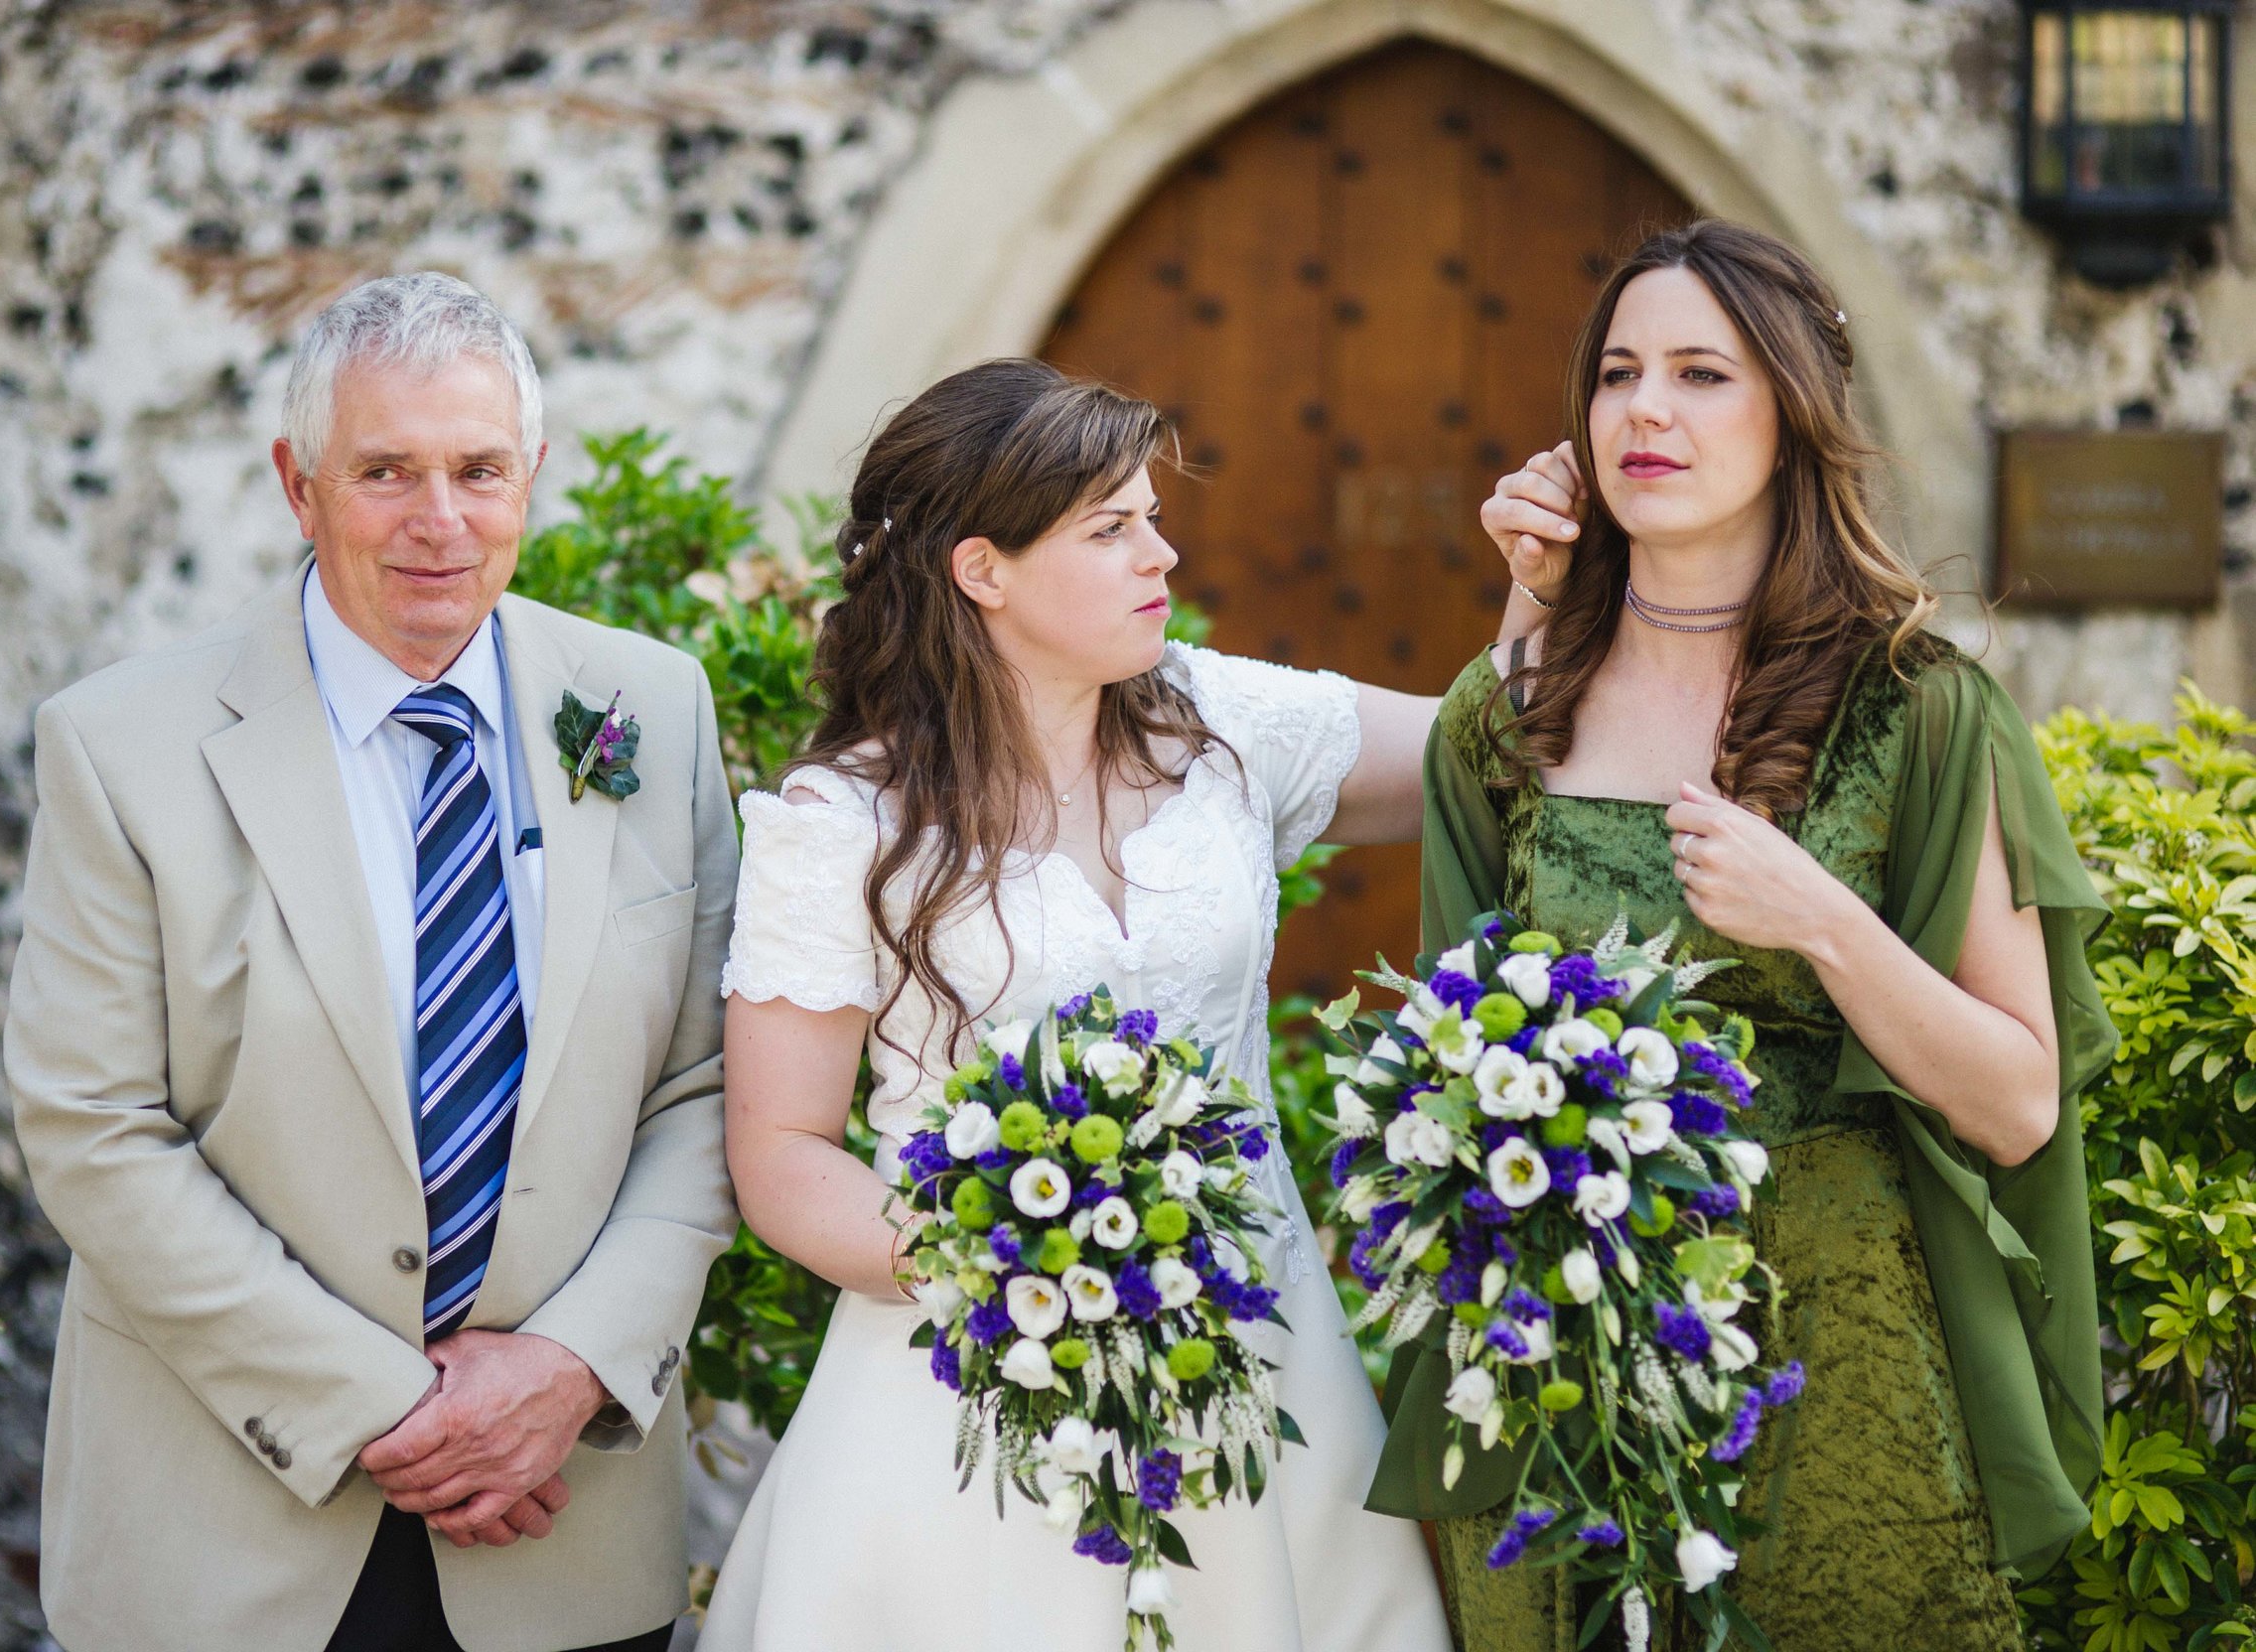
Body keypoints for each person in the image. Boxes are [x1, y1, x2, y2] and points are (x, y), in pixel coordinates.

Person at [695, 357, 1550, 1651]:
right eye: (1112, 528)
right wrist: (1013, 1258)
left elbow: (1501, 751)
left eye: (1150, 516)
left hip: (1260, 1353)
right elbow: (784, 1154)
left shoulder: (1220, 722)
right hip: (981, 1373)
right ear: (983, 569)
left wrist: (1541, 580)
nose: (1161, 551)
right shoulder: (846, 821)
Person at [1374, 220, 2114, 1648]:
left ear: (1793, 415)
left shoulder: (1922, 711)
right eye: (1617, 373)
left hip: (1837, 1355)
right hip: (1555, 1353)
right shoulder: (1505, 712)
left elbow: (2021, 1102)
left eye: (1703, 373)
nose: (1646, 408)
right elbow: (1448, 1068)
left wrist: (1824, 921)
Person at [5, 273, 739, 1652]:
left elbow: (704, 1090)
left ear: (534, 474)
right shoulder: (121, 748)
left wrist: (570, 1367)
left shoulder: (652, 709)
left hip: (562, 1519)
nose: (439, 522)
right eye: (385, 472)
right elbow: (93, 1129)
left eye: (478, 470)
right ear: (299, 483)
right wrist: (385, 1403)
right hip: (229, 1537)